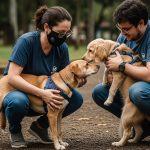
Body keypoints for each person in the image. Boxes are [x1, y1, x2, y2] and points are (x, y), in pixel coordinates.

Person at [2, 5, 86, 148]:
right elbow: (12, 77)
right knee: (17, 101)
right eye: (60, 33)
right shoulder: (26, 42)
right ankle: (15, 130)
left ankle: (40, 127)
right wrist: (42, 93)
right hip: (17, 91)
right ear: (47, 27)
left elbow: (63, 79)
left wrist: (78, 79)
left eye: (67, 33)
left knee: (75, 98)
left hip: (44, 95)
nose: (64, 37)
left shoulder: (62, 48)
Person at [92, 0, 150, 140]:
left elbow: (149, 75)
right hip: (137, 81)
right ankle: (144, 127)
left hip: (144, 84)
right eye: (120, 29)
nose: (123, 34)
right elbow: (116, 66)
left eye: (127, 29)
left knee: (137, 91)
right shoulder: (124, 36)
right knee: (100, 91)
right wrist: (112, 73)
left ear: (141, 23)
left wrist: (122, 67)